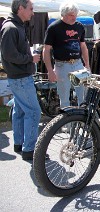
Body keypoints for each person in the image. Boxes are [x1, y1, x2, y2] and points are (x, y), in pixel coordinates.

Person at [0, 0, 41, 160]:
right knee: (33, 111)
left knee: (20, 110)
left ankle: (20, 143)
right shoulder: (11, 28)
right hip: (21, 77)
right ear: (20, 8)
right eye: (31, 9)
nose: (32, 12)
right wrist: (30, 58)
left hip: (19, 77)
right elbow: (9, 55)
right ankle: (29, 149)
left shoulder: (14, 26)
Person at [43, 2, 90, 108]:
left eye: (75, 15)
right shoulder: (54, 27)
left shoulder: (79, 26)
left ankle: (82, 123)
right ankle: (66, 124)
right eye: (71, 15)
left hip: (78, 64)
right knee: (64, 99)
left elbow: (83, 46)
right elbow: (46, 50)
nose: (74, 18)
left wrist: (87, 65)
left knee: (83, 97)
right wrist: (50, 71)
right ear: (63, 14)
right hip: (62, 65)